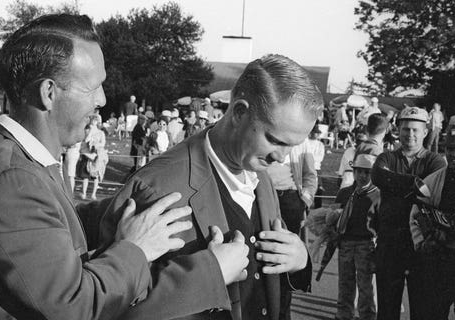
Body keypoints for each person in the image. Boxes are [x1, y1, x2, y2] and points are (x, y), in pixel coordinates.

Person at [0, 14, 196, 320]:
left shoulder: (19, 159)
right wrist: (137, 248)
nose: (103, 100)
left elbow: (51, 230)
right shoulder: (13, 180)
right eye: (93, 88)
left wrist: (122, 209)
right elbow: (76, 306)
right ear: (49, 93)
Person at [97, 54, 315, 320]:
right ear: (239, 112)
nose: (281, 157)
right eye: (275, 140)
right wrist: (206, 274)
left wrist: (299, 261)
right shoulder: (157, 187)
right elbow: (111, 306)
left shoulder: (261, 177)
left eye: (292, 146)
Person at [371, 106, 446, 320]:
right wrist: (415, 185)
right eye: (405, 129)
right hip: (389, 243)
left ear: (425, 132)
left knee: (421, 309)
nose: (410, 135)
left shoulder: (435, 161)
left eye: (415, 130)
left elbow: (433, 194)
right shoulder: (386, 158)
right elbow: (378, 176)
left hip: (421, 244)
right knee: (386, 309)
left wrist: (395, 185)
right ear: (398, 130)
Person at [409, 135, 455, 320]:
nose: (454, 154)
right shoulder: (433, 179)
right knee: (436, 309)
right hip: (440, 256)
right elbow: (416, 212)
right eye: (450, 149)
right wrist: (422, 241)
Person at [266, 138, 317, 320]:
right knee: (263, 256)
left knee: (286, 259)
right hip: (262, 197)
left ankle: (283, 314)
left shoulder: (301, 142)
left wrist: (304, 200)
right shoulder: (266, 134)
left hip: (289, 200)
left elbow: (310, 175)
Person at [334, 154, 379, 320]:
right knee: (345, 282)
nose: (362, 176)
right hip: (345, 243)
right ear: (353, 171)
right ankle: (343, 314)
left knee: (366, 286)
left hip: (366, 244)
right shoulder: (345, 193)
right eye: (359, 171)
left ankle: (368, 316)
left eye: (367, 172)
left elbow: (380, 223)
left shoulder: (377, 195)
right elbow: (333, 217)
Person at [77, 117, 107, 200]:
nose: (93, 122)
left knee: (95, 176)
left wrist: (95, 145)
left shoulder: (101, 133)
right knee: (85, 176)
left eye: (95, 121)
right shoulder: (86, 131)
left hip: (97, 156)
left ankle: (93, 194)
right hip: (87, 155)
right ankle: (84, 193)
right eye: (93, 121)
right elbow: (85, 141)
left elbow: (103, 143)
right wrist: (90, 133)